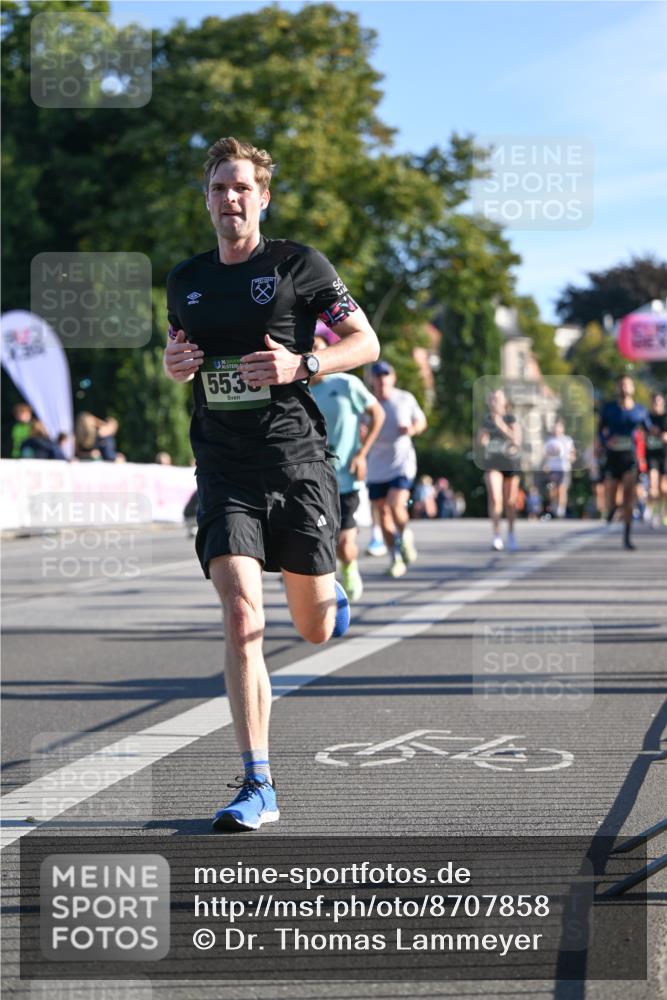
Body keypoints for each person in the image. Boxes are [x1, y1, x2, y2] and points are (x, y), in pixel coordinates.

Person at [163, 136, 379, 833]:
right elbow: (180, 351)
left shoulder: (298, 265)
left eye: (241, 187)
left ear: (262, 198)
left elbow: (366, 342)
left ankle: (330, 594)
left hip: (296, 461)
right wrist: (174, 362)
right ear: (206, 200)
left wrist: (303, 365)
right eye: (218, 188)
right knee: (241, 617)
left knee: (314, 630)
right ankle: (258, 783)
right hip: (223, 464)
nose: (229, 198)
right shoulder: (185, 279)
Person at [310, 323, 385, 601]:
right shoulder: (297, 390)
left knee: (344, 544)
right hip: (312, 479)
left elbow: (377, 414)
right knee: (315, 541)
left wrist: (362, 453)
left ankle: (349, 567)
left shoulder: (346, 384)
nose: (312, 351)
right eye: (307, 347)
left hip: (346, 476)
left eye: (317, 346)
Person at [366, 361, 427, 578]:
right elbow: (361, 431)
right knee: (383, 514)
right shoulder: (367, 402)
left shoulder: (405, 398)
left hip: (402, 462)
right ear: (372, 380)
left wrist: (412, 429)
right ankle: (395, 557)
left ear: (393, 378)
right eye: (378, 376)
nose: (382, 380)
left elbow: (421, 422)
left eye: (386, 375)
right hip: (376, 466)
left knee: (395, 504)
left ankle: (405, 534)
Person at [598, 375, 654, 550]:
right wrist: (606, 441)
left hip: (630, 457)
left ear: (632, 388)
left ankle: (627, 537)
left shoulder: (640, 410)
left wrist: (653, 435)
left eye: (627, 385)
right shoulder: (609, 409)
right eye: (621, 385)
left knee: (628, 498)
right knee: (612, 495)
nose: (624, 388)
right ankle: (612, 508)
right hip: (613, 456)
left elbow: (649, 430)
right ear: (617, 388)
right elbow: (600, 430)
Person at [478, 387, 522, 551]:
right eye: (492, 399)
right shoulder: (487, 420)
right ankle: (496, 536)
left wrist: (501, 425)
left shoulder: (511, 418)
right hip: (493, 462)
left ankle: (511, 533)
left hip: (510, 463)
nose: (494, 402)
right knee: (495, 499)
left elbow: (517, 440)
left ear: (504, 401)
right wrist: (484, 437)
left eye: (497, 398)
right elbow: (480, 442)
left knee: (510, 502)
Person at [543, 418, 576, 518]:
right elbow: (545, 454)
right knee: (552, 490)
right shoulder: (549, 440)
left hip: (564, 468)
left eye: (558, 427)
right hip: (552, 468)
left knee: (562, 489)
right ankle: (554, 505)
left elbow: (573, 454)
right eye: (555, 427)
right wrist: (545, 464)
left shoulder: (567, 440)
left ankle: (561, 510)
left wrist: (571, 458)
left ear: (563, 428)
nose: (556, 429)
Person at [646, 392, 667, 528]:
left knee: (664, 489)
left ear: (663, 403)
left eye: (659, 402)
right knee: (653, 487)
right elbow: (639, 433)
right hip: (651, 456)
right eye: (654, 402)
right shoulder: (646, 418)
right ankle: (653, 514)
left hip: (665, 456)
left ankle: (663, 513)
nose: (656, 405)